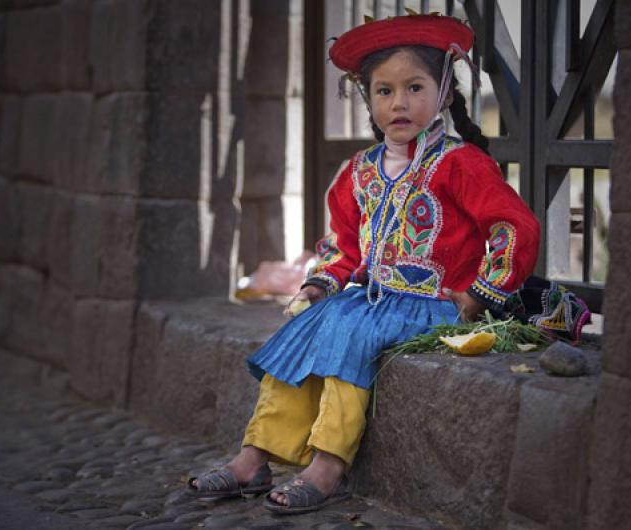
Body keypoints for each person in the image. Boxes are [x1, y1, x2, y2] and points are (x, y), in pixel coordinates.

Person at [185, 13, 540, 514]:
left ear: (443, 91)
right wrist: (318, 287)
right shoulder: (360, 171)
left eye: (414, 87)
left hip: (428, 307)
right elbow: (343, 246)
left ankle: (328, 464)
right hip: (369, 302)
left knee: (352, 333)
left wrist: (480, 294)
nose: (398, 103)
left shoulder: (461, 164)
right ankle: (253, 457)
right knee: (309, 328)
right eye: (383, 91)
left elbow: (514, 226)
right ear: (367, 99)